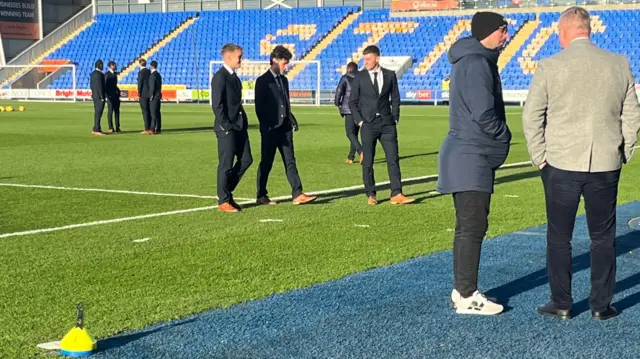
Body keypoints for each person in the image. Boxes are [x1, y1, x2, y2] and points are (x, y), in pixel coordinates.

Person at [522, 6, 640, 321]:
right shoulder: (618, 64)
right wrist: (624, 150)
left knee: (560, 237)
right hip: (605, 162)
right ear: (588, 29)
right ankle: (601, 305)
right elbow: (632, 114)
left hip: (560, 163)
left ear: (564, 31)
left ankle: (561, 302)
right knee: (603, 237)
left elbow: (531, 115)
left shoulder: (550, 65)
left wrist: (540, 157)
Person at [436, 11, 511, 315]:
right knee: (472, 226)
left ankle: (462, 289)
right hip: (470, 155)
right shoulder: (477, 63)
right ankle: (467, 295)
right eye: (503, 31)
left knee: (470, 225)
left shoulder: (472, 60)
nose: (506, 37)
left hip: (468, 153)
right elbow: (484, 114)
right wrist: (504, 136)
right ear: (490, 31)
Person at [348, 45, 414, 206]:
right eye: (364, 59)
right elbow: (353, 102)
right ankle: (371, 194)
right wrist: (361, 121)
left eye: (369, 59)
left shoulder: (390, 75)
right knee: (368, 161)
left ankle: (397, 193)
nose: (366, 62)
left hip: (387, 124)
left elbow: (395, 98)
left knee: (393, 159)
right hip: (369, 124)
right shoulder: (359, 77)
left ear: (377, 58)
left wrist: (395, 117)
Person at [254, 45, 317, 206]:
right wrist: (268, 126)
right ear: (274, 60)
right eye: (285, 62)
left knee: (290, 161)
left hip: (285, 129)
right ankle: (261, 194)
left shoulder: (284, 80)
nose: (286, 66)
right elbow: (259, 108)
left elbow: (285, 103)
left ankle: (297, 193)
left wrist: (291, 118)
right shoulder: (262, 81)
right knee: (266, 162)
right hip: (270, 130)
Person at [211, 43, 253, 213]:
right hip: (227, 128)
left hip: (239, 126)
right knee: (226, 164)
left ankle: (226, 191)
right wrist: (226, 126)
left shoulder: (234, 77)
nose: (241, 60)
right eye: (239, 57)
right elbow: (217, 105)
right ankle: (223, 200)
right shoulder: (220, 77)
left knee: (246, 160)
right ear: (229, 57)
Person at [334, 61, 363, 165]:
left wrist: (337, 103)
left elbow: (339, 91)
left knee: (350, 133)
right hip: (360, 109)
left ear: (348, 69)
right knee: (355, 133)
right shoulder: (362, 78)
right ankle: (350, 157)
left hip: (349, 109)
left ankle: (361, 151)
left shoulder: (345, 78)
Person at [90, 59, 106, 136]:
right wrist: (102, 96)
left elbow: (91, 85)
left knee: (97, 112)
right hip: (99, 96)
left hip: (95, 95)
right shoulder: (100, 75)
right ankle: (96, 129)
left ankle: (97, 128)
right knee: (98, 113)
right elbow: (100, 86)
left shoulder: (92, 74)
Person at [105, 61, 121, 133]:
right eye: (114, 65)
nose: (116, 66)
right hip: (110, 96)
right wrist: (107, 95)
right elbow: (105, 86)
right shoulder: (107, 74)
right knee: (110, 111)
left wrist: (118, 91)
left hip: (116, 95)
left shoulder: (115, 74)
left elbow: (115, 85)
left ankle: (117, 127)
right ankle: (110, 127)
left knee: (117, 111)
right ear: (111, 65)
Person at [137, 58, 152, 134]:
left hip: (143, 93)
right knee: (149, 111)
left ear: (140, 64)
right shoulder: (149, 71)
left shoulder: (141, 73)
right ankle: (151, 127)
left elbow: (140, 84)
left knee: (145, 111)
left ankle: (146, 128)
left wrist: (138, 93)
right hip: (149, 93)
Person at [149, 61, 163, 134]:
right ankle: (158, 128)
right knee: (158, 112)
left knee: (153, 113)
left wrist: (151, 95)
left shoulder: (152, 76)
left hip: (154, 96)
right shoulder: (158, 75)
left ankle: (152, 128)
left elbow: (152, 87)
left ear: (151, 66)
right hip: (158, 95)